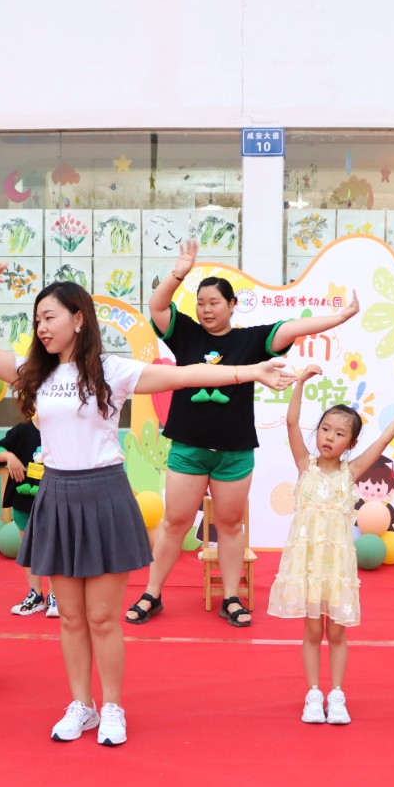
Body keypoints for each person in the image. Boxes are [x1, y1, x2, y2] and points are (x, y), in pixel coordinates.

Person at [0, 267, 295, 746]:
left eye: (50, 317)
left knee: (102, 618)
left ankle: (112, 706)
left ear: (78, 319)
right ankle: (81, 705)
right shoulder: (34, 372)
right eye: (37, 319)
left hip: (104, 496)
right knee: (70, 617)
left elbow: (185, 374)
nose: (42, 327)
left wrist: (251, 371)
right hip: (57, 496)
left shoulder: (110, 371)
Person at [127, 239, 360, 629]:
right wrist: (180, 271)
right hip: (188, 447)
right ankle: (152, 593)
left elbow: (293, 327)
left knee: (231, 524)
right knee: (175, 522)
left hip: (234, 452)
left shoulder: (249, 340)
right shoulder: (185, 334)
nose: (206, 309)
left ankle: (231, 597)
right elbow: (157, 307)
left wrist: (340, 317)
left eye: (215, 303)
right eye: (201, 303)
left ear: (232, 305)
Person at [268, 364, 394, 724]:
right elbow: (292, 422)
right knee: (313, 631)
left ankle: (337, 695)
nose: (329, 437)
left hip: (337, 568)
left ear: (351, 443)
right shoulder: (305, 466)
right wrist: (299, 383)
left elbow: (383, 441)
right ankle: (314, 694)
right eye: (325, 429)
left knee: (337, 632)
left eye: (339, 433)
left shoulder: (351, 472)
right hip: (309, 564)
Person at [0, 418, 55, 617]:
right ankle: (36, 595)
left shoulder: (63, 428)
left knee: (54, 547)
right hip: (24, 501)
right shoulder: (22, 430)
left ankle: (56, 594)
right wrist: (9, 456)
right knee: (29, 547)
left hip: (54, 499)